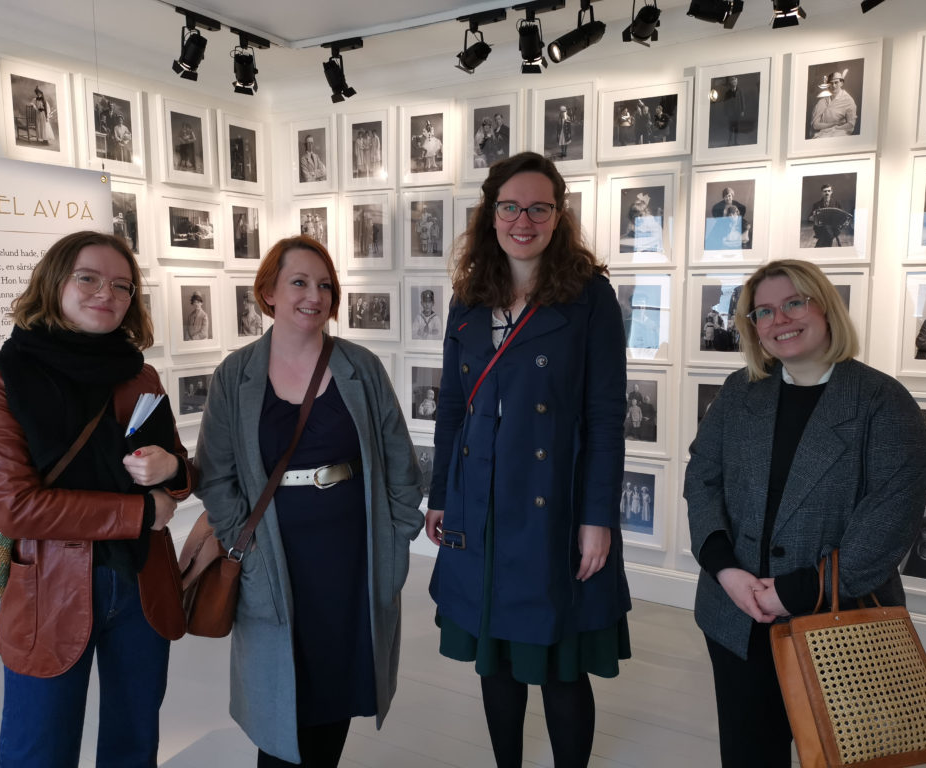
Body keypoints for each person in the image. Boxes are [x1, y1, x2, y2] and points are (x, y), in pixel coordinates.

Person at [424, 152, 631, 768]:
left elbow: (605, 416)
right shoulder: (468, 297)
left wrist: (598, 517)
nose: (523, 220)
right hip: (478, 498)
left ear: (558, 215)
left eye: (539, 207)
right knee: (497, 662)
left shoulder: (588, 296)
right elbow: (452, 408)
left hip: (554, 506)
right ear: (490, 214)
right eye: (510, 206)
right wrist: (439, 494)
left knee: (561, 665)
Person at [684, 259, 926, 768]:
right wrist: (726, 569)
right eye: (764, 312)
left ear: (825, 307)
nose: (780, 320)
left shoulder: (882, 401)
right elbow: (702, 479)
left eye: (794, 302)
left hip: (839, 619)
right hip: (736, 612)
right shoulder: (740, 392)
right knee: (749, 750)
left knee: (842, 755)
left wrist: (793, 590)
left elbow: (888, 522)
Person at [194, 234, 424, 767]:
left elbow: (399, 461)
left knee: (336, 688)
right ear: (269, 291)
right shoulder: (237, 374)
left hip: (351, 554)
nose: (313, 296)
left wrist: (397, 534)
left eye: (324, 285)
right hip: (273, 556)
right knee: (281, 702)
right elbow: (216, 474)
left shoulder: (359, 367)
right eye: (299, 282)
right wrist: (241, 548)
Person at [0, 230, 195, 767]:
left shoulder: (139, 374)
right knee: (39, 750)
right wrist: (142, 511)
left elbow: (179, 473)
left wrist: (172, 468)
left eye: (122, 285)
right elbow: (16, 507)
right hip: (52, 586)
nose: (107, 294)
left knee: (134, 744)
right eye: (88, 278)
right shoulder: (2, 377)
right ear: (54, 283)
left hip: (141, 583)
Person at [811, 71, 858, 137]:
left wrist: (835, 128)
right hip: (822, 135)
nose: (833, 86)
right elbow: (815, 125)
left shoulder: (848, 101)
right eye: (831, 83)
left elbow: (851, 125)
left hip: (840, 135)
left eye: (836, 82)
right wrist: (835, 123)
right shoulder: (822, 101)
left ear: (841, 83)